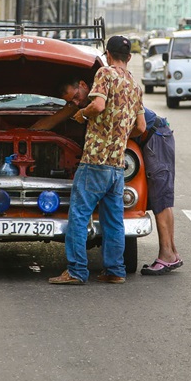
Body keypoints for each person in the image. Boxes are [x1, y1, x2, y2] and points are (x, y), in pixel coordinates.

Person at [49, 35, 145, 285]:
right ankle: (115, 271)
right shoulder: (135, 85)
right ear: (129, 57)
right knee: (114, 220)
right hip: (116, 165)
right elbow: (141, 126)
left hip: (95, 160)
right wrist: (121, 136)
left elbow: (99, 106)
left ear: (108, 55)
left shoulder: (105, 73)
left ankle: (77, 271)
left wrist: (82, 114)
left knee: (79, 215)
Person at [137, 107, 182, 275]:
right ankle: (172, 253)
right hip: (159, 135)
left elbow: (140, 127)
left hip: (155, 137)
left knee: (160, 199)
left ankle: (167, 255)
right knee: (163, 199)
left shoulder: (111, 93)